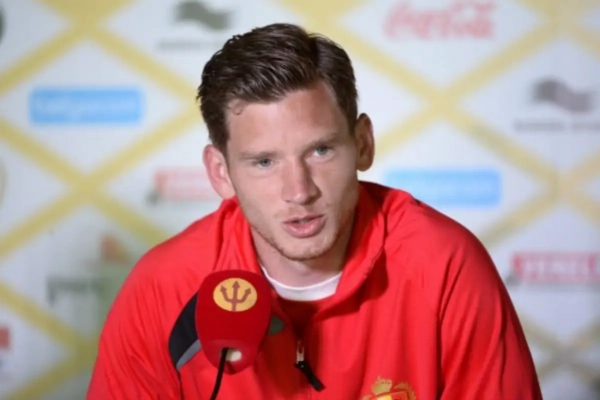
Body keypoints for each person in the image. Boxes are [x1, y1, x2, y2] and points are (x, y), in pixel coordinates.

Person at [86, 22, 543, 399]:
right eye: (264, 162)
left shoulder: (444, 264)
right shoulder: (163, 287)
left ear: (362, 144)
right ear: (221, 172)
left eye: (320, 151)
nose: (299, 191)